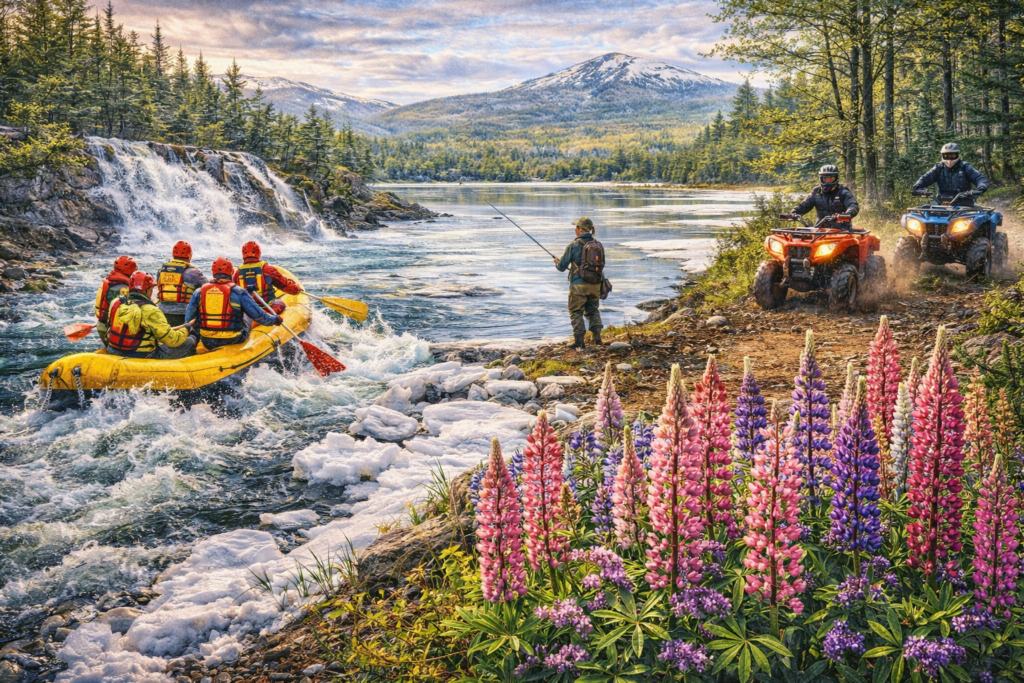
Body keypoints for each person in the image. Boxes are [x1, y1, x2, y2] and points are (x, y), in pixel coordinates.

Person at [186, 257, 283, 351]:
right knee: (247, 315)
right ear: (231, 272)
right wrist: (274, 320)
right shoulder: (239, 292)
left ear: (213, 272)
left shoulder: (199, 292)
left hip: (207, 341)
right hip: (234, 339)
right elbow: (259, 317)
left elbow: (188, 317)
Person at [106, 271, 198, 359]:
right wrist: (187, 329)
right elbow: (172, 340)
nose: (151, 293)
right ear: (146, 290)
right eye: (151, 289)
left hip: (113, 350)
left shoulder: (116, 302)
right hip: (142, 355)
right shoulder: (150, 310)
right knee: (190, 341)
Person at [554, 217, 604, 349]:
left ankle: (579, 341)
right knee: (593, 310)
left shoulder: (573, 245)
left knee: (576, 311)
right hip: (595, 284)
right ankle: (597, 339)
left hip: (578, 285)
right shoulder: (598, 245)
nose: (575, 230)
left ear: (580, 229)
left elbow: (561, 267)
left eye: (576, 227)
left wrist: (557, 262)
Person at [911, 142, 989, 206]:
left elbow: (980, 178)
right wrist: (918, 188)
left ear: (958, 155)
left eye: (952, 155)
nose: (949, 158)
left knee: (974, 221)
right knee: (922, 214)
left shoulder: (965, 167)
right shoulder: (938, 168)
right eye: (946, 155)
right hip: (941, 203)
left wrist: (979, 189)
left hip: (964, 203)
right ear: (942, 155)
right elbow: (925, 178)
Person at [233, 241, 300, 314]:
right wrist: (296, 288)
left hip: (246, 310)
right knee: (281, 304)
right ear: (258, 253)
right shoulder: (267, 269)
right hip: (265, 308)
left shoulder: (237, 273)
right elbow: (284, 284)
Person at [785, 165, 860, 229]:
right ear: (821, 179)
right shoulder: (816, 192)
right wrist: (793, 213)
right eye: (825, 179)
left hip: (842, 230)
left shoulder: (843, 191)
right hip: (820, 230)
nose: (828, 181)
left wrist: (847, 214)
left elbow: (853, 205)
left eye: (831, 179)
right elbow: (804, 205)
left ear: (836, 178)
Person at [156, 241, 208, 327]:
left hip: (162, 312)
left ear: (173, 254)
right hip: (184, 314)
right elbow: (207, 287)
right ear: (190, 255)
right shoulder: (193, 273)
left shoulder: (160, 271)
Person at [94, 255, 137, 348]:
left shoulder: (110, 280)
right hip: (112, 328)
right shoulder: (121, 287)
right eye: (133, 269)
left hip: (102, 324)